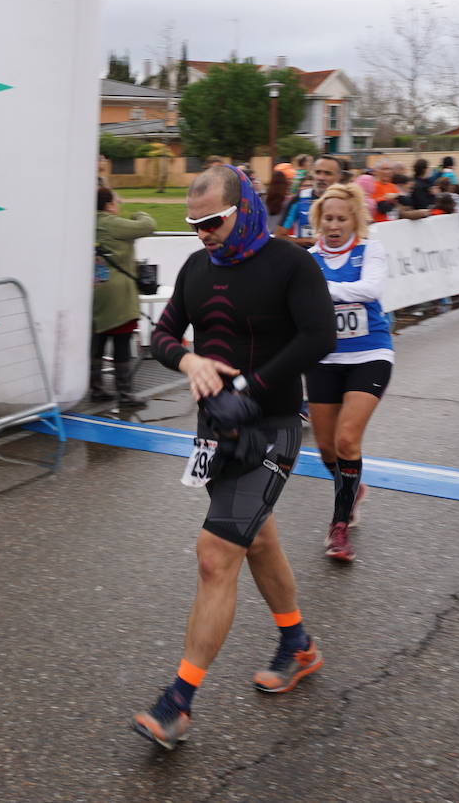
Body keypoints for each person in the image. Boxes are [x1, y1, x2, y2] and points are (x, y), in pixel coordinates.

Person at [131, 165, 335, 750]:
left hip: (271, 424)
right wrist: (188, 362)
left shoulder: (291, 263)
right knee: (258, 538)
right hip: (218, 429)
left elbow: (318, 337)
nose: (203, 234)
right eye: (194, 224)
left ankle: (178, 702)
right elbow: (161, 336)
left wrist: (248, 387)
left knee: (216, 553)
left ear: (244, 209)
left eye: (213, 221)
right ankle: (297, 645)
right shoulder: (198, 267)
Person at [303, 185, 393, 562]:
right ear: (319, 221)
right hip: (324, 358)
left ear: (355, 218)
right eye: (328, 219)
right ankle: (352, 487)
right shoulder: (308, 258)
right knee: (325, 449)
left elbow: (370, 289)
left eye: (342, 218)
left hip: (370, 353)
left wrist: (322, 290)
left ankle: (339, 528)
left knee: (346, 441)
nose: (334, 225)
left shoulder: (370, 250)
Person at [91, 185, 156, 406]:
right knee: (121, 342)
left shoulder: (89, 223)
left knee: (97, 343)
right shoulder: (112, 222)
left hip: (95, 292)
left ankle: (96, 389)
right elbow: (148, 225)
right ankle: (125, 394)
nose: (118, 205)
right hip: (118, 296)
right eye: (117, 202)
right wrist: (138, 213)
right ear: (108, 205)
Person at [277, 154, 339, 248]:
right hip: (307, 258)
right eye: (318, 172)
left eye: (327, 173)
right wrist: (309, 241)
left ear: (338, 177)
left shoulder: (346, 200)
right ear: (312, 174)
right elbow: (279, 236)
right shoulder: (300, 198)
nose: (321, 177)